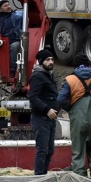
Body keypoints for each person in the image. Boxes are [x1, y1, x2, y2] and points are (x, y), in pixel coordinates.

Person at [63, 61, 91, 178]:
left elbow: (60, 100)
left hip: (78, 121)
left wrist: (71, 109)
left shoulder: (70, 80)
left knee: (78, 153)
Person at [28, 47, 63, 175]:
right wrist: (47, 109)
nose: (51, 62)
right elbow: (33, 97)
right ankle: (39, 177)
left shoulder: (49, 75)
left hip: (51, 119)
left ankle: (44, 174)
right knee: (42, 150)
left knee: (50, 150)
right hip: (41, 118)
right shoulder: (38, 76)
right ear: (41, 61)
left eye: (52, 59)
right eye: (47, 60)